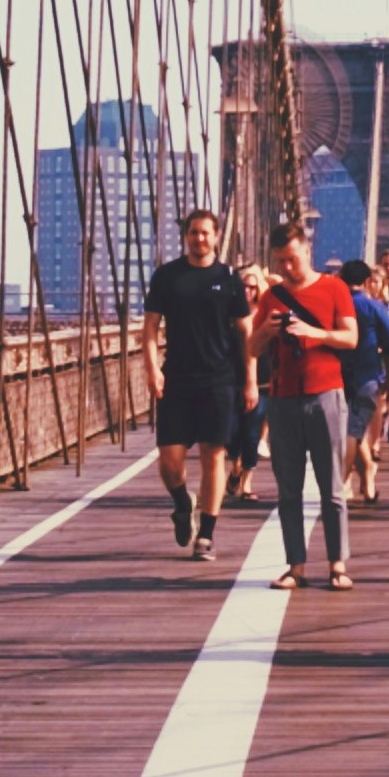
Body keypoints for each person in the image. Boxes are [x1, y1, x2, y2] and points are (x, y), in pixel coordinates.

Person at [248, 219, 358, 588]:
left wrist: (314, 332)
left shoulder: (335, 288)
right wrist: (268, 329)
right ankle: (295, 566)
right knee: (288, 489)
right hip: (283, 399)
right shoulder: (270, 297)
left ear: (307, 251)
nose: (286, 268)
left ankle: (337, 565)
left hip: (326, 394)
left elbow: (351, 338)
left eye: (292, 259)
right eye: (280, 262)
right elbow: (251, 348)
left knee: (332, 487)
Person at [140, 207, 247, 553]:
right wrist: (152, 369)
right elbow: (151, 328)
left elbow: (245, 331)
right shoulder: (168, 276)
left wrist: (249, 380)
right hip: (177, 379)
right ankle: (182, 504)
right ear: (185, 236)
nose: (199, 238)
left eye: (205, 232)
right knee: (170, 461)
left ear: (216, 236)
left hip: (219, 379)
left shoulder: (230, 278)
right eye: (193, 232)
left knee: (213, 456)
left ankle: (207, 534)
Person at [341, 239, 389, 506]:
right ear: (367, 281)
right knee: (356, 432)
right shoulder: (376, 307)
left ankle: (343, 483)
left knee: (351, 431)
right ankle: (366, 483)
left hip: (339, 379)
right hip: (368, 378)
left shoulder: (335, 305)